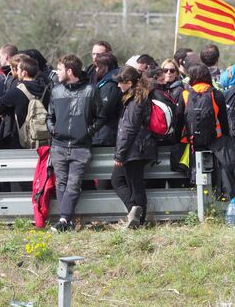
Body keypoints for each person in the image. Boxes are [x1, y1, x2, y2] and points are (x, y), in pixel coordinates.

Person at [47, 54, 107, 232]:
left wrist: (87, 132)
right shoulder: (56, 91)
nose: (57, 73)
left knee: (73, 184)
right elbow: (49, 116)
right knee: (61, 183)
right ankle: (66, 221)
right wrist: (52, 129)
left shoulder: (90, 90)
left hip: (81, 147)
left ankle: (64, 220)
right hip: (58, 145)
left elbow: (101, 117)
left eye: (59, 69)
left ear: (70, 71)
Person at [112, 66, 157, 228]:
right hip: (139, 147)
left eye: (120, 83)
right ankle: (135, 214)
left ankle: (138, 219)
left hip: (135, 149)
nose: (118, 86)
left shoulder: (135, 100)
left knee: (125, 182)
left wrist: (120, 155)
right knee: (131, 183)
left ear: (129, 83)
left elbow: (129, 129)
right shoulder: (139, 97)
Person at [92, 53, 122, 148]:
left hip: (105, 134)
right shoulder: (108, 82)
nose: (95, 70)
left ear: (104, 67)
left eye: (97, 67)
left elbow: (104, 110)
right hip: (104, 132)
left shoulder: (110, 85)